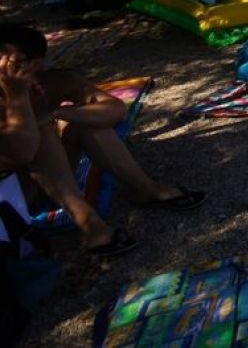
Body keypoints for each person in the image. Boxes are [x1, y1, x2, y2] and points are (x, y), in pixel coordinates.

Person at [0, 24, 205, 257]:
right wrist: (18, 99)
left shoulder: (51, 84)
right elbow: (21, 153)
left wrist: (59, 113)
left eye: (13, 63)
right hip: (11, 196)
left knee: (84, 121)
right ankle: (89, 225)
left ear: (35, 65)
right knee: (43, 129)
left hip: (45, 179)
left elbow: (115, 109)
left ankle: (145, 189)